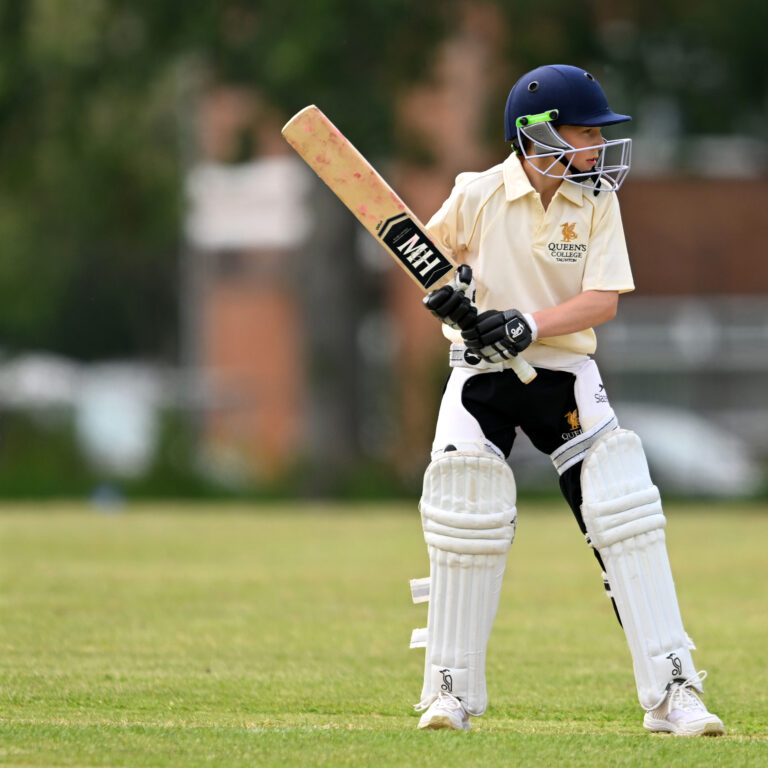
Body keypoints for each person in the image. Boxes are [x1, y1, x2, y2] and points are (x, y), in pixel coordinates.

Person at [410, 64, 724, 737]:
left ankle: (674, 693)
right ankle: (447, 691)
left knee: (625, 511)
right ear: (538, 134)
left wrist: (525, 321)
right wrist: (451, 299)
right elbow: (428, 259)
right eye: (586, 132)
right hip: (481, 375)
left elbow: (601, 301)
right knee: (466, 509)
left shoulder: (595, 202)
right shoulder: (478, 192)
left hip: (564, 375)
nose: (597, 147)